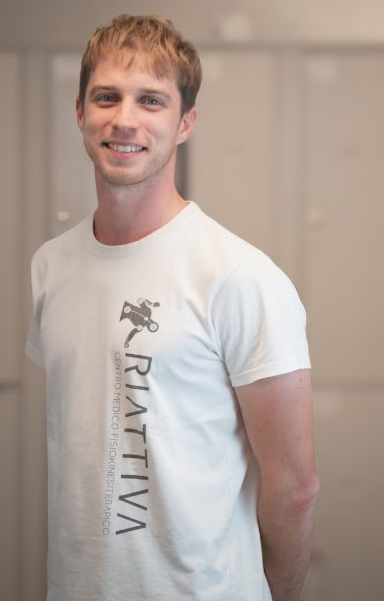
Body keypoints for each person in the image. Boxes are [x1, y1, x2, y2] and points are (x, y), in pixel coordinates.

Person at [25, 14, 319, 601]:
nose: (124, 118)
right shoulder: (51, 266)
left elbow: (294, 489)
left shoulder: (238, 277)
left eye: (151, 100)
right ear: (79, 112)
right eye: (106, 97)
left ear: (185, 123)